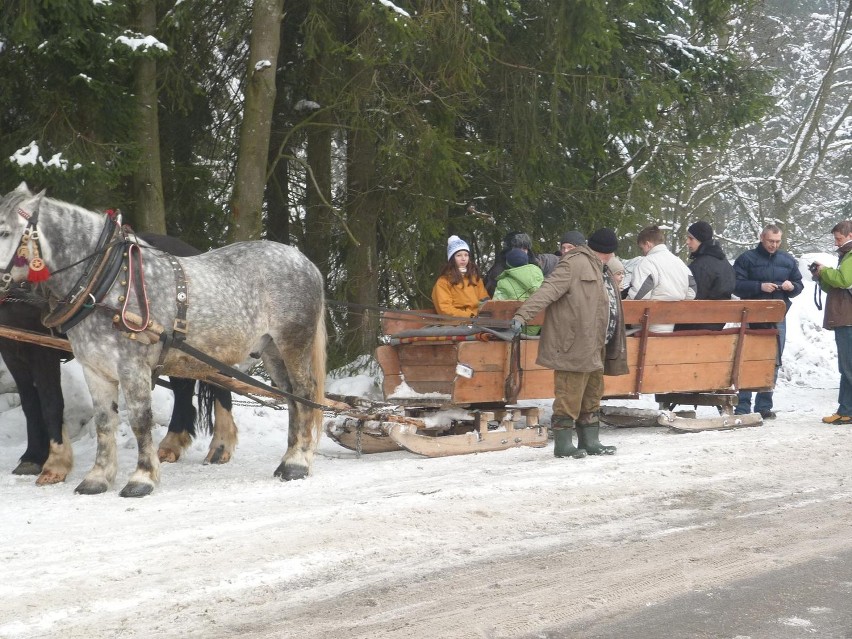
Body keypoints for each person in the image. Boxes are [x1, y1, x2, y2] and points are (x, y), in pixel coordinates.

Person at [511, 228, 628, 458]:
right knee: (569, 395)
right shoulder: (573, 264)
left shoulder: (602, 268)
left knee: (592, 395)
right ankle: (563, 445)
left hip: (596, 345)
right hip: (574, 344)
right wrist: (520, 317)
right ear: (607, 251)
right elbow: (547, 291)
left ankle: (590, 441)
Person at [733, 224, 803, 418]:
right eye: (771, 241)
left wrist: (792, 286)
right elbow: (735, 285)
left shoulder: (787, 260)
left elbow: (799, 285)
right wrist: (759, 286)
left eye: (777, 241)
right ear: (762, 238)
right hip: (751, 316)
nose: (774, 245)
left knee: (773, 360)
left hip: (777, 316)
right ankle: (743, 406)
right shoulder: (746, 259)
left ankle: (764, 405)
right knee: (748, 359)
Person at [810, 220, 852, 425]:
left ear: (850, 235)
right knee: (847, 367)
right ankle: (845, 409)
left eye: (839, 238)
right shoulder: (845, 256)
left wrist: (825, 270)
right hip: (845, 318)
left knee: (848, 367)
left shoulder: (851, 256)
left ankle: (847, 410)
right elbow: (838, 288)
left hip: (848, 320)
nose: (836, 243)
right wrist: (821, 277)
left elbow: (843, 280)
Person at [626, 225, 697, 331]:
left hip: (646, 329)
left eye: (642, 248)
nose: (643, 252)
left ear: (648, 244)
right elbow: (691, 292)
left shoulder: (647, 263)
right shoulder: (679, 263)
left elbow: (638, 296)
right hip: (670, 327)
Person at [674, 220, 736, 331]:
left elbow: (693, 296)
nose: (687, 242)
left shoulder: (700, 266)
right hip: (716, 325)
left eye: (691, 238)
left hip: (695, 325)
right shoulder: (725, 264)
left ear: (701, 240)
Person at [432, 235, 489, 318]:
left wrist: (485, 315)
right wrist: (470, 316)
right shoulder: (443, 281)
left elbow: (484, 300)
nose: (463, 258)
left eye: (466, 255)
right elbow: (445, 309)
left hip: (479, 321)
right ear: (452, 258)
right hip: (457, 324)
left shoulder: (475, 278)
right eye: (459, 255)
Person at [492, 248, 544, 335]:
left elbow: (496, 307)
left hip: (517, 328)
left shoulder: (503, 282)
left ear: (508, 263)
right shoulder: (538, 274)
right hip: (540, 327)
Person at [485, 231, 555, 295]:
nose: (522, 252)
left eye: (524, 249)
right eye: (517, 248)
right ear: (508, 250)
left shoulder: (535, 266)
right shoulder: (497, 272)